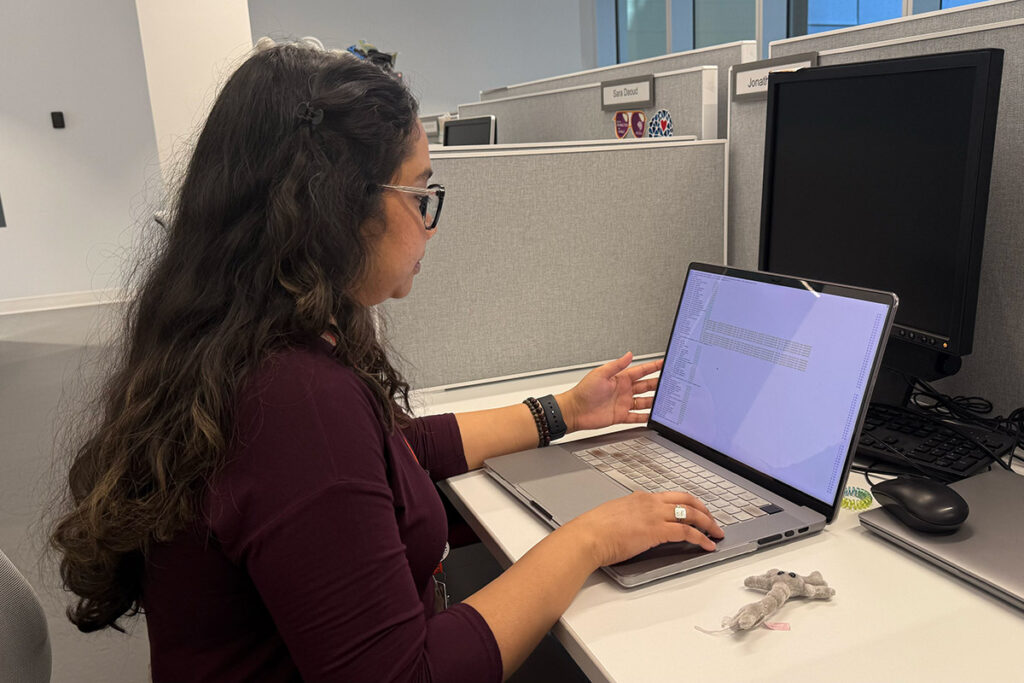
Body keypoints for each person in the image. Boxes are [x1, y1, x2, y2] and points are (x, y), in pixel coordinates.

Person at [50, 38, 723, 682]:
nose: (430, 224)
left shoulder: (252, 341)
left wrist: (567, 411)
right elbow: (409, 673)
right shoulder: (292, 400)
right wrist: (592, 537)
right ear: (339, 207)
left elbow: (404, 445)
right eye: (419, 195)